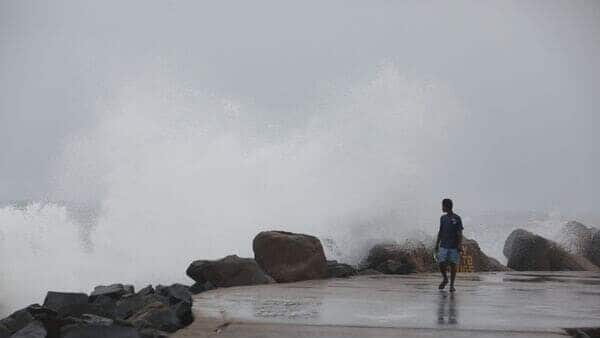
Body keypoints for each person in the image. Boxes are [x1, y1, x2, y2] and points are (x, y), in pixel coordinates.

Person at [435, 198, 463, 292]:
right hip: (443, 244)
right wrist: (436, 244)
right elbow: (440, 231)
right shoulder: (442, 218)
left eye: (442, 206)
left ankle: (452, 285)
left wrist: (459, 245)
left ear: (446, 206)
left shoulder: (457, 218)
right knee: (441, 263)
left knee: (453, 265)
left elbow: (459, 232)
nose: (441, 208)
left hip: (454, 246)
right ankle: (445, 278)